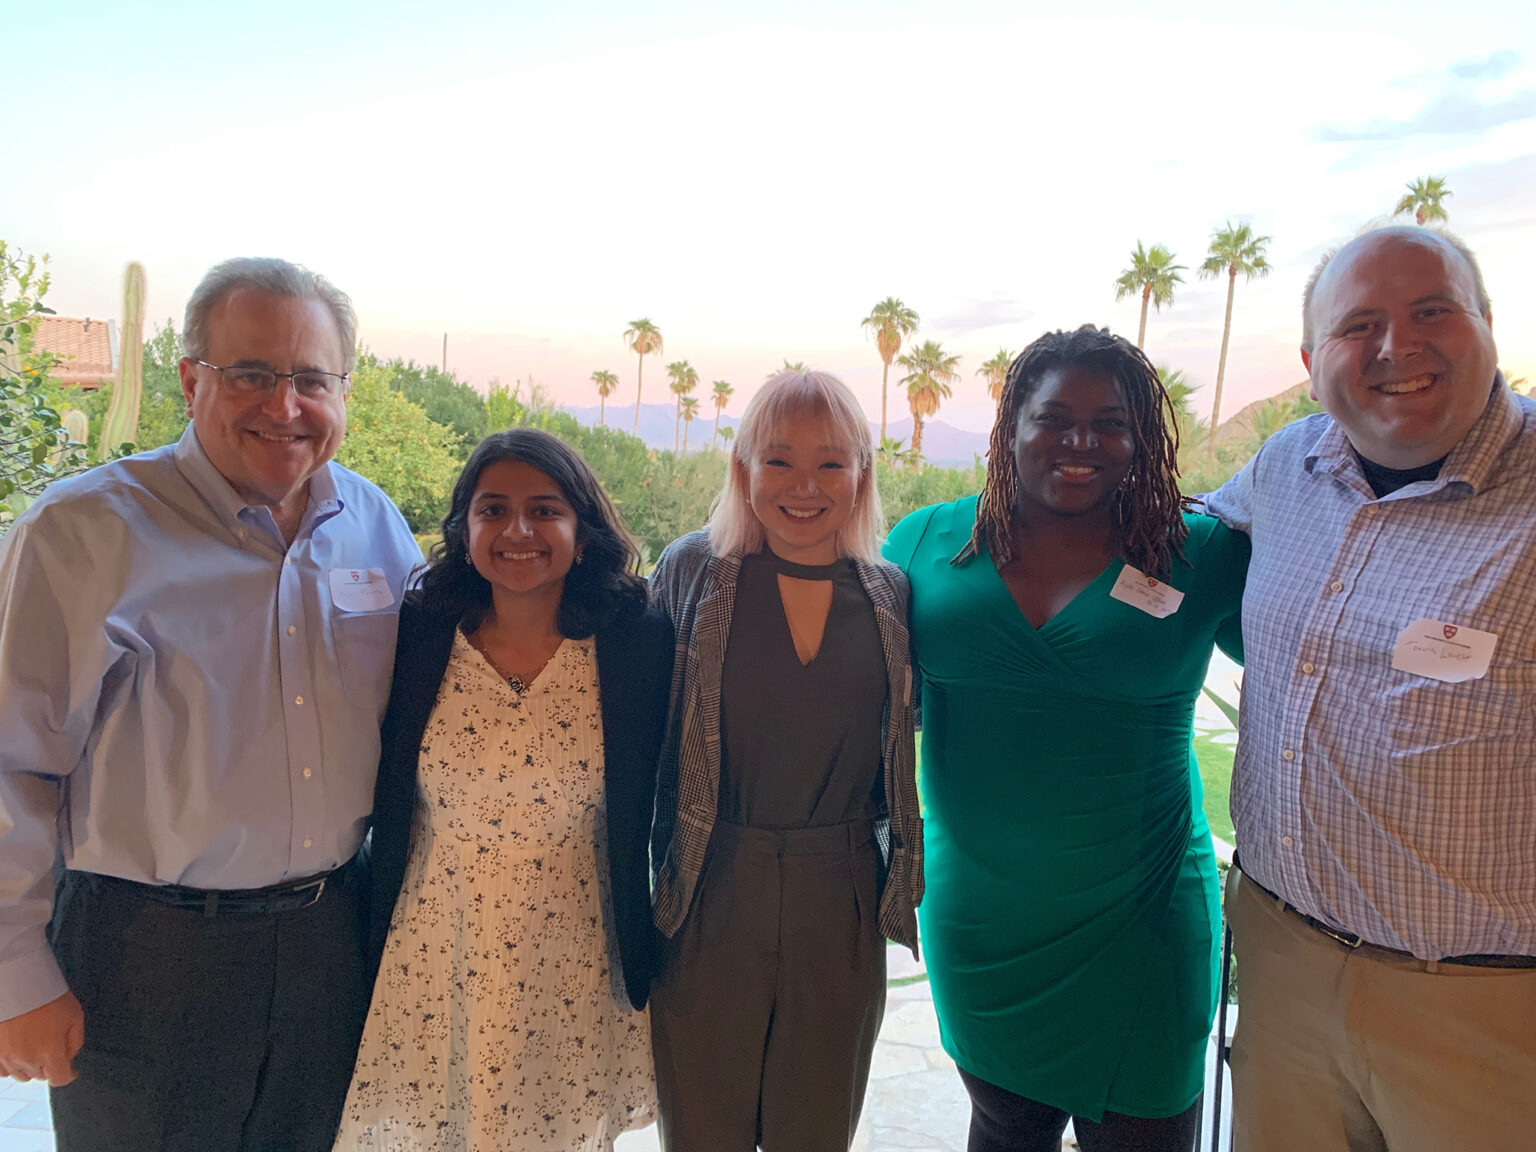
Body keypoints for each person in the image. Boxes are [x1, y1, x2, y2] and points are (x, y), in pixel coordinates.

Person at [0, 257, 422, 1150]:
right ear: (192, 381)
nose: (286, 405)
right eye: (252, 375)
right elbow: (12, 762)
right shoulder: (84, 533)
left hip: (327, 950)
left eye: (312, 378)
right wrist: (14, 971)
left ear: (342, 387)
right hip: (146, 956)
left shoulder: (376, 524)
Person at [1202, 224, 1536, 1151]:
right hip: (1280, 973)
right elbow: (1176, 524)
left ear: (1488, 325)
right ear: (1314, 363)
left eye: (1433, 311)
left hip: (1486, 1012)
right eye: (1360, 325)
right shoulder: (1289, 466)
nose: (1398, 347)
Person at [883, 325, 1248, 1152]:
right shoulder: (924, 545)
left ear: (1142, 438)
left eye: (1110, 421)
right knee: (1004, 1128)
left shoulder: (1202, 552)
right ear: (1010, 426)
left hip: (1144, 921)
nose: (1081, 441)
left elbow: (1315, 672)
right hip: (982, 921)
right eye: (1053, 417)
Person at [335, 428, 671, 1152]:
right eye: (494, 510)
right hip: (434, 948)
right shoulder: (420, 634)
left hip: (575, 954)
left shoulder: (634, 642)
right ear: (465, 532)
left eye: (545, 509)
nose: (518, 530)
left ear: (582, 534)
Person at [646, 369, 922, 1152]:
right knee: (702, 1130)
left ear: (863, 474)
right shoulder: (693, 573)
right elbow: (641, 731)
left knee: (817, 1130)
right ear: (742, 471)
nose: (805, 485)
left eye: (831, 462)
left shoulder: (890, 594)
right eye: (779, 461)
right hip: (708, 882)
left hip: (841, 898)